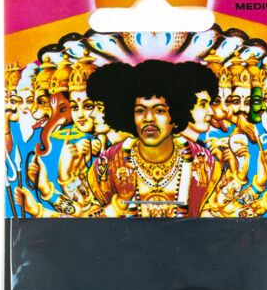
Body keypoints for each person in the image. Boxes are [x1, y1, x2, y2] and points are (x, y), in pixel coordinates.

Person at [87, 60, 221, 217]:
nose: (148, 118)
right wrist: (118, 205)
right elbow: (82, 223)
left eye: (159, 110)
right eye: (140, 110)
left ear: (177, 114)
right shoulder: (108, 163)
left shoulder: (204, 162)